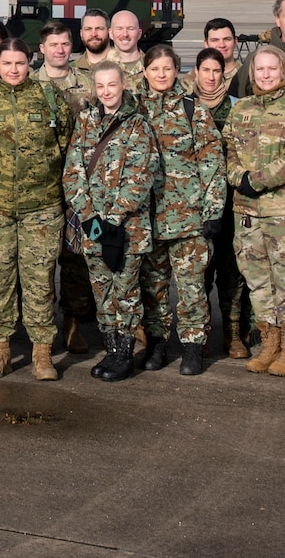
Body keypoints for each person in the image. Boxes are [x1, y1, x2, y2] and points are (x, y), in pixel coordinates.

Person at [0, 38, 74, 381]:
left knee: (40, 280)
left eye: (20, 63)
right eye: (7, 63)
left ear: (30, 63)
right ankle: (0, 351)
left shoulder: (47, 97)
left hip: (41, 206)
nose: (14, 70)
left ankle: (42, 353)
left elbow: (64, 143)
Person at [223, 45, 285, 377]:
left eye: (271, 69)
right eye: (259, 69)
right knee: (259, 283)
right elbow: (227, 150)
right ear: (252, 74)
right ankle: (269, 343)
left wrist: (259, 180)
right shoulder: (241, 110)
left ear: (284, 72)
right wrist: (240, 178)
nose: (265, 74)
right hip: (247, 213)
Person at [63, 62, 161, 382]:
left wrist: (114, 218)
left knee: (126, 290)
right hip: (93, 226)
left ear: (123, 85)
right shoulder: (86, 120)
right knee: (102, 289)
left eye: (112, 85)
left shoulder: (137, 125)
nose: (107, 92)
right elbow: (72, 173)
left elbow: (141, 176)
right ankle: (110, 347)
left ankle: (125, 353)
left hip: (126, 228)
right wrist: (90, 218)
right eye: (101, 86)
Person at [136, 44, 226, 376]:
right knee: (154, 287)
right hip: (147, 219)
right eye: (155, 69)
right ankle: (157, 343)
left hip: (188, 219)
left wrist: (213, 210)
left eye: (168, 68)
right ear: (145, 71)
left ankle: (192, 346)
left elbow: (212, 163)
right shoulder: (134, 109)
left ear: (177, 71)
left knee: (191, 287)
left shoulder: (193, 111)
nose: (161, 74)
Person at [35, 20, 98, 355]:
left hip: (78, 188)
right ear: (41, 48)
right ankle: (40, 328)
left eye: (64, 44)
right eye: (53, 45)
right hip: (41, 187)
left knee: (76, 261)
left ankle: (73, 326)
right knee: (41, 262)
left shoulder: (87, 84)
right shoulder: (29, 84)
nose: (60, 50)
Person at [190, 48, 250, 357]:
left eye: (217, 71)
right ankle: (199, 334)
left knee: (231, 272)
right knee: (198, 273)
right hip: (197, 204)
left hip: (232, 203)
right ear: (196, 72)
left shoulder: (238, 109)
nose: (212, 77)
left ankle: (234, 331)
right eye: (206, 71)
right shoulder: (187, 107)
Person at [106, 11, 146, 88]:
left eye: (131, 29)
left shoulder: (152, 66)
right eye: (119, 29)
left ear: (139, 33)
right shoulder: (100, 68)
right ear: (111, 33)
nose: (125, 34)